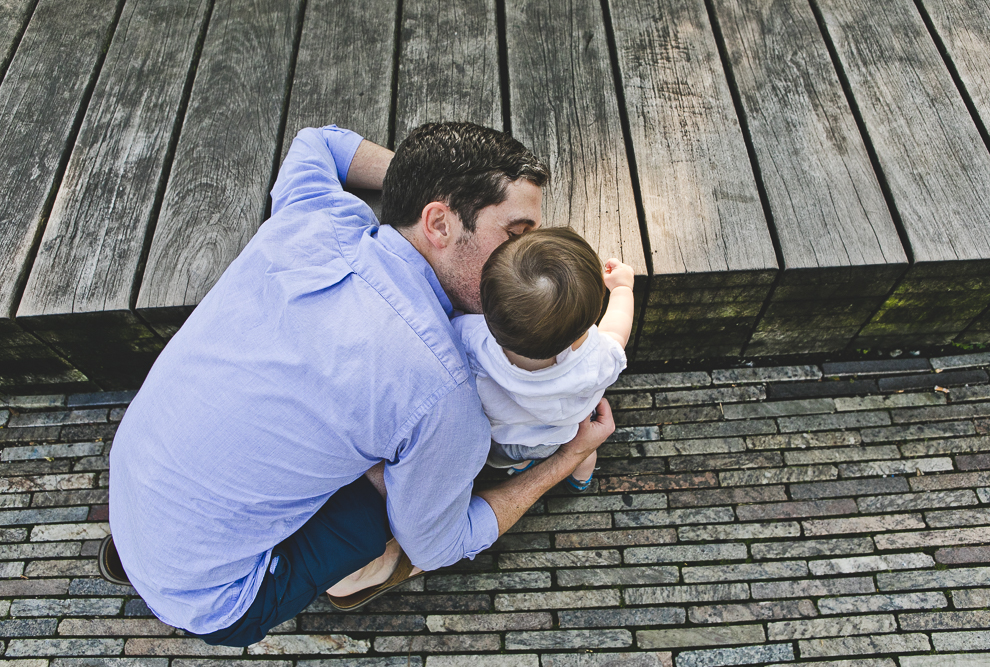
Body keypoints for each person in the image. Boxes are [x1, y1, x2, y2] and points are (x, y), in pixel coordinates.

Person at [106, 122, 616, 647]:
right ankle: (363, 573)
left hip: (132, 485)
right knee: (393, 495)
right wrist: (567, 457)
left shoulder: (314, 216)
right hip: (221, 599)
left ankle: (167, 545)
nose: (527, 254)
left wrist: (424, 180)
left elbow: (317, 143)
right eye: (515, 234)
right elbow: (441, 543)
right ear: (438, 222)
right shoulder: (441, 391)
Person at [454, 228, 635, 493]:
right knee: (586, 452)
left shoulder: (470, 339)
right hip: (558, 436)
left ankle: (520, 465)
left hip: (501, 440)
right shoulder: (595, 359)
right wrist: (621, 289)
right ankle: (580, 480)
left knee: (514, 458)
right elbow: (617, 331)